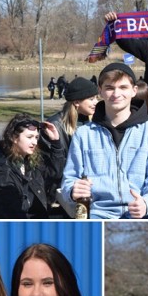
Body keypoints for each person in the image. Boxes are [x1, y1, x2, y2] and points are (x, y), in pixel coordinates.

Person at [61, 62, 148, 219]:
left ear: (134, 91)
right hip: (98, 214)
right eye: (110, 88)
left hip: (145, 216)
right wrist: (72, 191)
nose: (116, 94)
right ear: (100, 91)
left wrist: (146, 203)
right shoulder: (83, 134)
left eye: (123, 87)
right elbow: (69, 179)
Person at [0, 113, 64, 219]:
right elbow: (14, 216)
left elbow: (54, 173)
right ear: (14, 138)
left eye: (36, 137)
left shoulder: (29, 162)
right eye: (29, 137)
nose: (34, 142)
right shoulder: (1, 174)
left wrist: (56, 143)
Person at [41, 77, 99, 217]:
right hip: (60, 189)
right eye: (91, 99)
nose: (96, 102)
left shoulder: (93, 122)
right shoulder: (54, 126)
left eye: (96, 98)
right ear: (77, 102)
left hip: (88, 186)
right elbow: (52, 169)